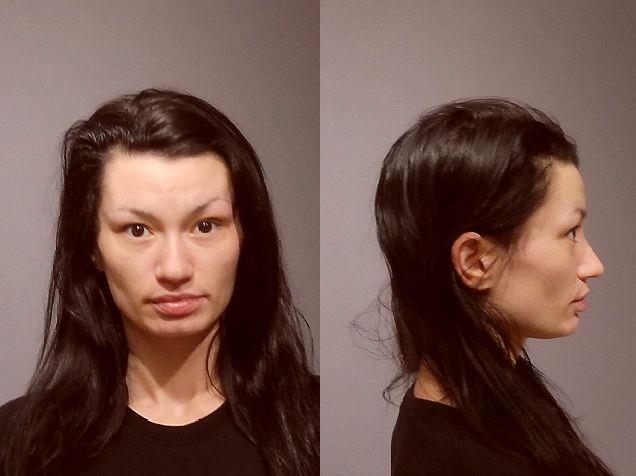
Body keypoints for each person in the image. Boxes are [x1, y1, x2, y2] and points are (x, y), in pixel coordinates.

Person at [0, 89, 319, 475]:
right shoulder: (19, 444)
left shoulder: (314, 426)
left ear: (245, 236)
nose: (174, 268)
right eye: (137, 230)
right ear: (92, 247)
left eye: (206, 226)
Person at [374, 99, 613, 475]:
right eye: (570, 232)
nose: (594, 265)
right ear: (475, 261)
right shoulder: (457, 456)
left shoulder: (501, 395)